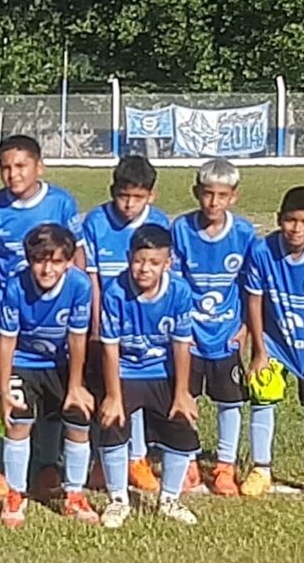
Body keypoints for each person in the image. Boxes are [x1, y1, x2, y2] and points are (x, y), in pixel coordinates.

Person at [0, 134, 84, 498]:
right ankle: (5, 466)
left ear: (40, 166)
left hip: (52, 315)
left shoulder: (61, 202)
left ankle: (48, 464)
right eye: (5, 167)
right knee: (9, 391)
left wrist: (77, 293)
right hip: (9, 313)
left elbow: (76, 255)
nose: (13, 174)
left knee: (52, 397)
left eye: (21, 166)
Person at [240, 186, 304, 501]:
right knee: (263, 399)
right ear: (278, 219)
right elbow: (254, 302)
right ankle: (261, 469)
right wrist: (259, 351)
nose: (297, 229)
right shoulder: (262, 251)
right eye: (290, 220)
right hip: (273, 343)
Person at [96, 225, 200, 528]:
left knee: (180, 425)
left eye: (154, 262)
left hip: (162, 370)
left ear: (168, 263)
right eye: (139, 260)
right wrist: (113, 396)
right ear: (129, 257)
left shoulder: (179, 291)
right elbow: (110, 348)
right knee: (113, 424)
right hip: (125, 370)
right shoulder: (115, 291)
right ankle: (118, 500)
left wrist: (182, 393)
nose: (145, 269)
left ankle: (169, 499)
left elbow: (181, 345)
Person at [0, 225, 96, 529]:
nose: (47, 269)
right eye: (39, 260)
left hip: (62, 363)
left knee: (78, 420)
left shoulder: (79, 285)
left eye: (56, 261)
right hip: (24, 361)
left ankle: (74, 495)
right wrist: (3, 389)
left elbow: (77, 338)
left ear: (69, 261)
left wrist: (76, 385)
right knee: (18, 422)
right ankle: (15, 494)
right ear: (29, 260)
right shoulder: (15, 286)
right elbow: (7, 341)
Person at [81, 155, 170, 493]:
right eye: (123, 196)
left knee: (136, 387)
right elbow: (92, 279)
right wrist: (95, 325)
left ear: (151, 195)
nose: (129, 204)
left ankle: (138, 458)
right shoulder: (96, 222)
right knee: (104, 390)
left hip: (145, 325)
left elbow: (163, 280)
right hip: (107, 323)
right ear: (112, 191)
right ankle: (101, 459)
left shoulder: (159, 223)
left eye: (137, 197)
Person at [170, 158, 257, 496]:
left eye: (222, 195)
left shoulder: (244, 233)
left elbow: (251, 286)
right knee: (185, 396)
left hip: (226, 333)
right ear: (197, 192)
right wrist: (180, 329)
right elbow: (176, 284)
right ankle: (188, 461)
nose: (214, 202)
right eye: (208, 194)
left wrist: (246, 326)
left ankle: (225, 465)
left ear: (234, 196)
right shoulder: (181, 229)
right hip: (190, 334)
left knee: (229, 401)